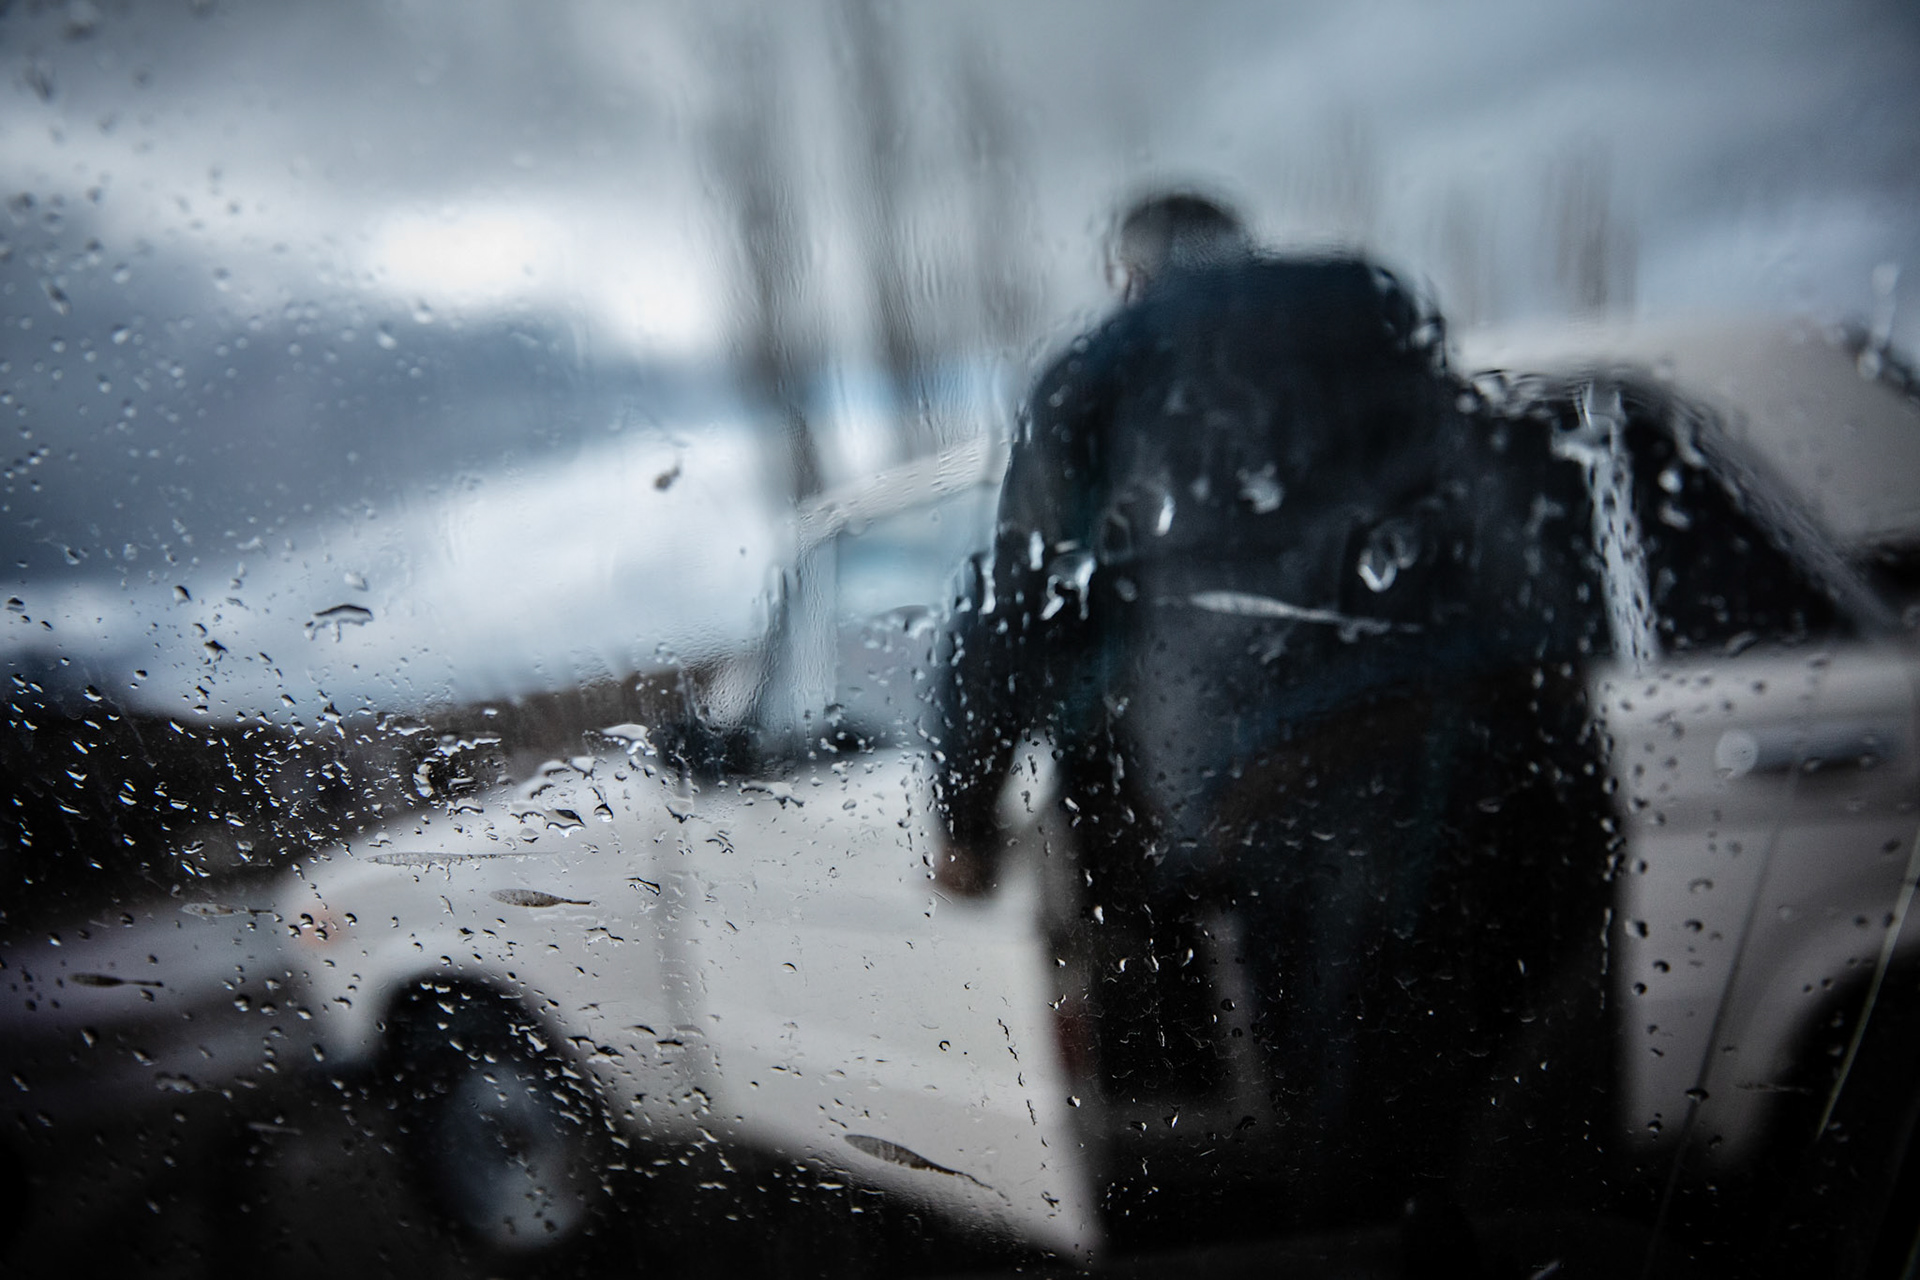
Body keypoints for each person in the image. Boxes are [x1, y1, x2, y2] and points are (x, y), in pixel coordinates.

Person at [929, 192, 1613, 1228]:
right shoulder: (1373, 301)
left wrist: (965, 813)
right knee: (1552, 1137)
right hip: (1541, 732)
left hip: (1306, 781)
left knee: (1371, 1159)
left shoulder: (1103, 365)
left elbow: (1018, 601)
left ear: (1127, 271)